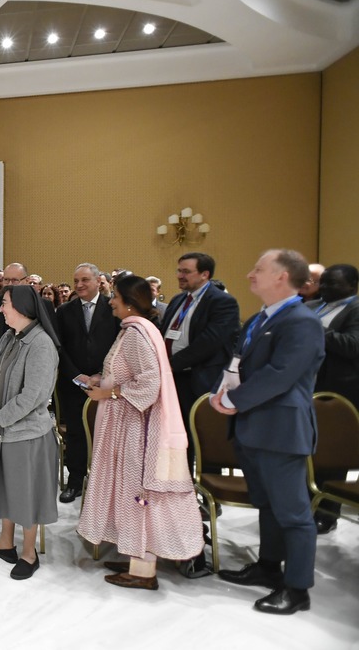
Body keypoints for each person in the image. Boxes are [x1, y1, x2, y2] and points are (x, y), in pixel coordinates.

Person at [211, 249, 325, 615]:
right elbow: (237, 362)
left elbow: (281, 374)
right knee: (267, 504)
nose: (249, 274)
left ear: (281, 276)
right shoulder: (261, 317)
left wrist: (234, 401)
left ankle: (297, 588)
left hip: (280, 428)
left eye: (259, 269)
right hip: (254, 427)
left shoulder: (302, 321)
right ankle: (268, 566)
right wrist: (221, 392)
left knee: (292, 512)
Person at [77, 274, 204, 591]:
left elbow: (149, 384)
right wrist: (100, 379)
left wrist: (110, 393)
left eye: (115, 297)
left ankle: (144, 570)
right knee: (130, 492)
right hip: (127, 424)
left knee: (137, 494)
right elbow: (128, 373)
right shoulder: (133, 330)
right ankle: (136, 555)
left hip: (135, 428)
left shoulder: (137, 334)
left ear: (130, 302)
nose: (110, 302)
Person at [0, 286, 60, 580]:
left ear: (21, 307)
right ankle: (5, 543)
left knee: (26, 493)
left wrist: (0, 417)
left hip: (27, 434)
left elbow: (34, 395)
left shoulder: (41, 345)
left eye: (5, 303)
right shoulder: (9, 337)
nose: (0, 309)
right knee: (8, 487)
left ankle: (28, 554)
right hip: (2, 428)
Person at [160, 252, 240, 471]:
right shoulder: (178, 300)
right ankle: (179, 489)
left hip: (201, 379)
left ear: (204, 274)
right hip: (174, 379)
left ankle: (208, 496)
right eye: (178, 270)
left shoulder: (222, 302)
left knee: (204, 437)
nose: (179, 276)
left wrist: (168, 365)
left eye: (186, 271)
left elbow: (209, 342)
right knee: (176, 436)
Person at [55, 263, 120, 503]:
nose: (79, 285)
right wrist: (77, 376)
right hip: (73, 384)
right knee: (76, 433)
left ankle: (104, 485)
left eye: (85, 280)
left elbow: (118, 346)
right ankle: (75, 482)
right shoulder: (64, 311)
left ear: (97, 281)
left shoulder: (113, 307)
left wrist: (102, 376)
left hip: (106, 384)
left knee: (106, 434)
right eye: (76, 281)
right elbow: (59, 347)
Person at [306, 263, 359, 534]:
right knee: (307, 451)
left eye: (332, 283)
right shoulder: (314, 305)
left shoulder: (355, 309)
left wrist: (314, 329)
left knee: (331, 457)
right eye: (323, 282)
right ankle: (305, 504)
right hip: (307, 388)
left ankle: (327, 513)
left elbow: (352, 345)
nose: (324, 287)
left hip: (337, 393)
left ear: (352, 285)